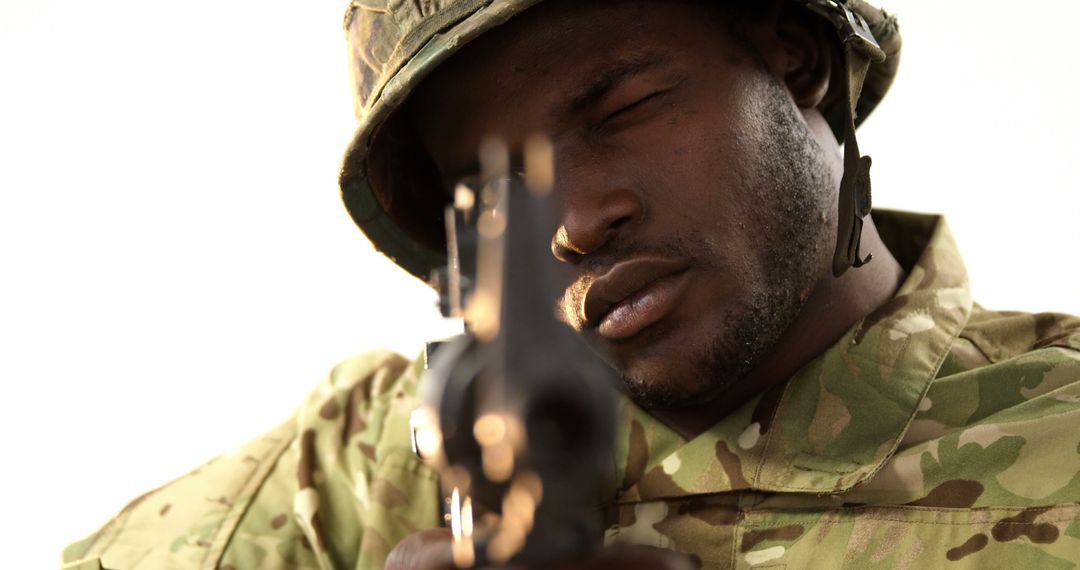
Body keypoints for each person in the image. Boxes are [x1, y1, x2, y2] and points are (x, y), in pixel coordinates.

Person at [61, 0, 1080, 568]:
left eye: (624, 105)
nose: (576, 222)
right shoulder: (365, 471)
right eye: (496, 182)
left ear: (795, 56)